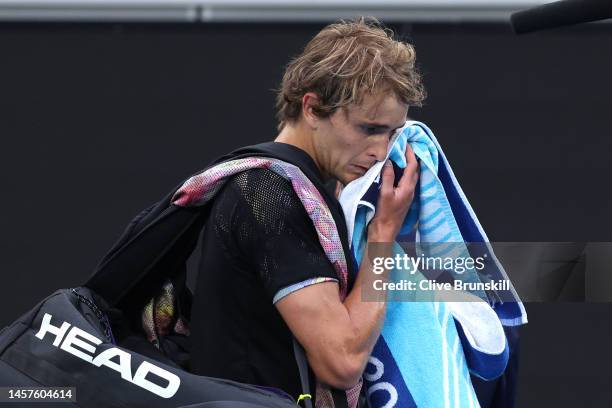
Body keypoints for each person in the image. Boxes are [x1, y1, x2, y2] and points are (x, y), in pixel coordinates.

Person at [189, 17, 425, 405]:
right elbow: (342, 360)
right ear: (313, 108)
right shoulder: (268, 195)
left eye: (392, 133)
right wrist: (382, 237)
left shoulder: (314, 193)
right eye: (369, 129)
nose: (382, 152)